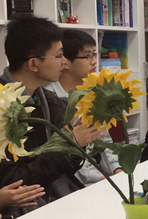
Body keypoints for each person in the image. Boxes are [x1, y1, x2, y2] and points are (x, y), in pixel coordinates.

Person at [0, 16, 98, 219]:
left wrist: (73, 150)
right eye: (59, 55)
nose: (64, 61)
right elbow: (15, 183)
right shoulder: (4, 107)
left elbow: (64, 167)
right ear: (34, 64)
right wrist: (68, 146)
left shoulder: (50, 101)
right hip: (25, 214)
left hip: (57, 200)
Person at [43, 29, 122, 184]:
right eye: (87, 56)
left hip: (100, 176)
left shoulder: (93, 92)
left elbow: (103, 139)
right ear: (65, 61)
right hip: (72, 182)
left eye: (94, 55)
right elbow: (60, 155)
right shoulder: (50, 100)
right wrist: (101, 178)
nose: (94, 61)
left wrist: (116, 169)